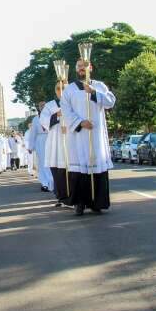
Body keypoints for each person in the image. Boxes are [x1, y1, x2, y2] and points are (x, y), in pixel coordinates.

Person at [61, 58, 116, 216]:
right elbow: (65, 110)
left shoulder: (99, 85)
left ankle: (97, 202)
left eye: (84, 66)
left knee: (96, 168)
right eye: (79, 67)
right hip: (78, 136)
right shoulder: (69, 89)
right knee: (79, 170)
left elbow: (110, 102)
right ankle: (80, 203)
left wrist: (93, 92)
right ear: (76, 69)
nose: (81, 69)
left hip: (96, 136)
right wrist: (80, 122)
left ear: (90, 67)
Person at [42, 84, 70, 206]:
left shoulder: (73, 101)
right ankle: (61, 196)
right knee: (57, 169)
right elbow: (43, 121)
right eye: (58, 89)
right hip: (55, 140)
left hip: (71, 138)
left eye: (63, 88)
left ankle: (73, 195)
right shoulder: (50, 105)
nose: (61, 91)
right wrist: (56, 115)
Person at [27, 104, 53, 192]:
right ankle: (45, 183)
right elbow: (33, 133)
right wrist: (30, 146)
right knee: (42, 163)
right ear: (38, 108)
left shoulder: (52, 116)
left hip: (50, 139)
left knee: (51, 162)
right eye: (41, 106)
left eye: (44, 105)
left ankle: (52, 182)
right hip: (40, 141)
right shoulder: (35, 119)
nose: (42, 107)